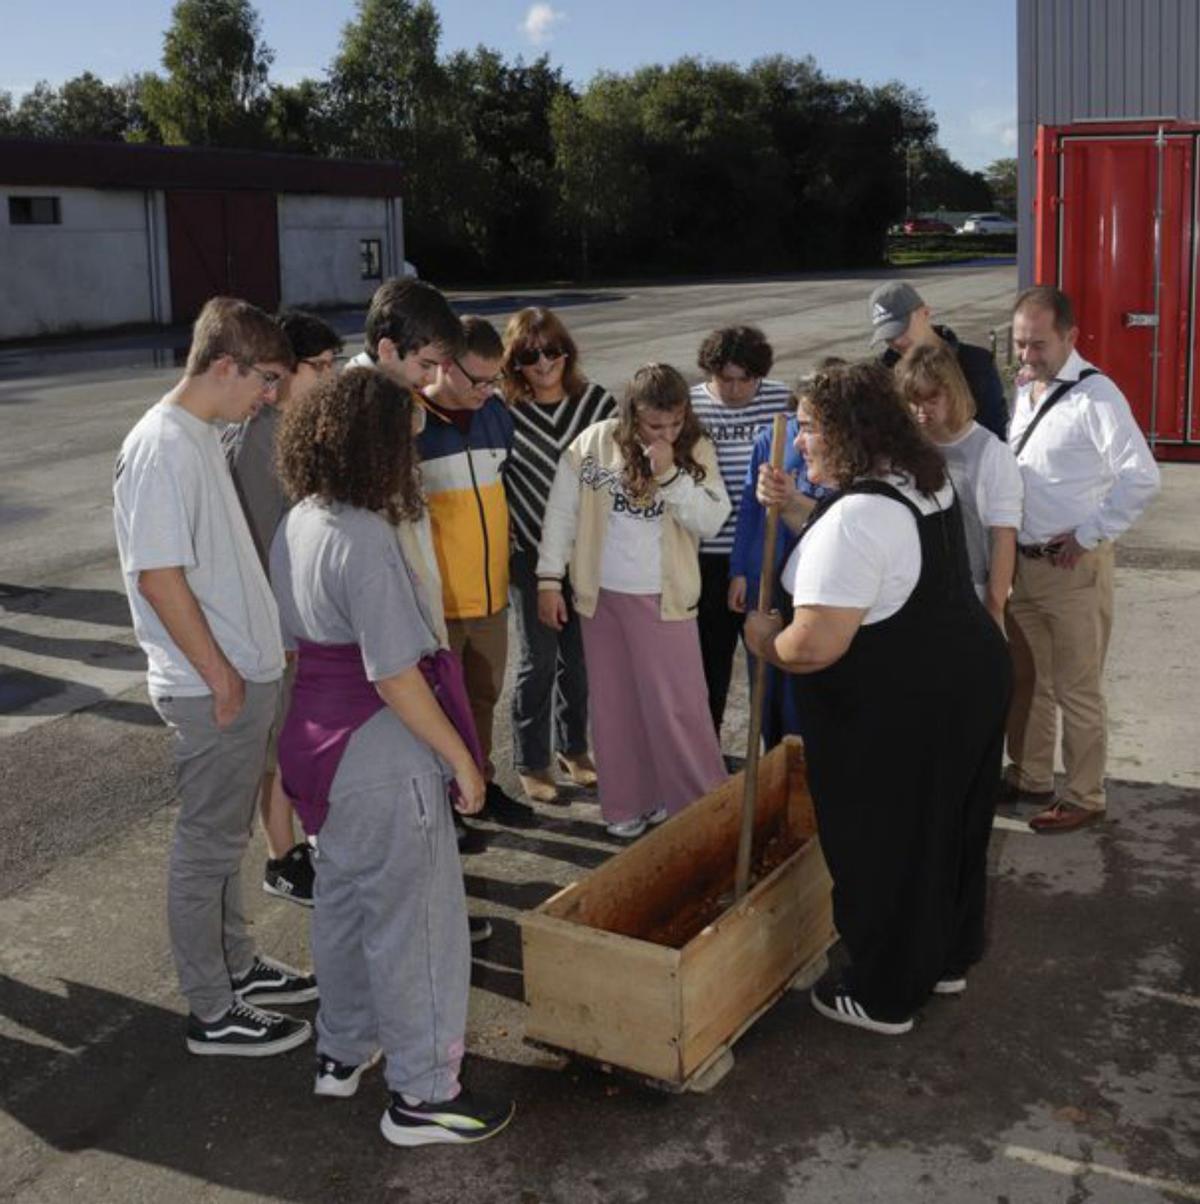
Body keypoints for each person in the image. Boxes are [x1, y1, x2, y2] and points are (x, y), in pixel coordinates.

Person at [271, 366, 514, 1145]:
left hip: (316, 744)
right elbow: (394, 675)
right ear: (373, 449)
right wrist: (462, 761)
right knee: (421, 928)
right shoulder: (365, 537)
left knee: (344, 905)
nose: (412, 457)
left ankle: (341, 1050)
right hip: (378, 753)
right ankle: (424, 1093)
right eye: (404, 444)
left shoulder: (299, 519)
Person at [745, 360, 1011, 1035]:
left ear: (847, 431)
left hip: (907, 708)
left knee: (887, 843)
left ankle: (885, 993)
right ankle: (943, 958)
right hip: (968, 685)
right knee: (948, 831)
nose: (800, 441)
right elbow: (867, 551)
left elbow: (814, 645)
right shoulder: (918, 480)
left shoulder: (857, 518)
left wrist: (765, 640)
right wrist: (796, 507)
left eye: (809, 427)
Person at [112, 296, 315, 1058]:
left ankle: (235, 965)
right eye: (265, 380)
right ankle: (211, 1008)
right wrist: (223, 678)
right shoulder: (162, 446)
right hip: (212, 688)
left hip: (237, 675)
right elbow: (159, 577)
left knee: (225, 840)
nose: (270, 396)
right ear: (226, 366)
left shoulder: (197, 435)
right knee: (206, 848)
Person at [537, 364, 730, 838]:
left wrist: (670, 474)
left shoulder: (696, 447)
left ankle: (699, 810)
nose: (666, 433)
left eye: (675, 423)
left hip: (666, 598)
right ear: (631, 414)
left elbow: (711, 520)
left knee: (678, 709)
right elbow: (561, 513)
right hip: (601, 597)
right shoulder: (593, 443)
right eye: (654, 425)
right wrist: (548, 579)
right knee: (615, 707)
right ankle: (628, 804)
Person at [1003, 286, 1160, 833]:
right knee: (1030, 681)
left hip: (1072, 569)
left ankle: (1084, 794)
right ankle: (1031, 776)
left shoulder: (1097, 396)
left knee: (1077, 688)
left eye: (1038, 344)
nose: (1026, 355)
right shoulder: (1027, 389)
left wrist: (1091, 534)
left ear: (1070, 337)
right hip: (1024, 566)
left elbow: (1141, 477)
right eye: (1020, 343)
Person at [223, 308, 345, 906]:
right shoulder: (259, 437)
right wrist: (282, 632)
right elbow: (257, 546)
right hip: (276, 627)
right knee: (278, 744)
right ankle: (281, 857)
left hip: (303, 618)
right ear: (283, 371)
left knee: (298, 738)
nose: (329, 376)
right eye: (318, 366)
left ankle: (303, 842)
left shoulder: (301, 426)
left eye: (333, 364)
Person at [501, 306, 616, 803]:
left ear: (567, 351)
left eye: (552, 350)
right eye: (530, 356)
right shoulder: (502, 412)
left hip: (586, 551)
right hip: (528, 552)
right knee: (539, 659)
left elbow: (617, 469)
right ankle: (531, 759)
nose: (544, 363)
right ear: (515, 363)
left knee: (581, 657)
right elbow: (496, 477)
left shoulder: (597, 403)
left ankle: (573, 746)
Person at [417, 316, 526, 820]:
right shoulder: (410, 422)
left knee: (483, 697)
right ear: (443, 364)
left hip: (490, 595)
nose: (487, 390)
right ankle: (443, 802)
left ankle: (480, 783)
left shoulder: (496, 414)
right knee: (438, 707)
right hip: (436, 604)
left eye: (493, 379)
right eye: (477, 380)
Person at [688, 326, 794, 739]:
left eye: (744, 380)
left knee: (770, 664)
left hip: (763, 556)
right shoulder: (691, 406)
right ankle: (706, 754)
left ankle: (775, 750)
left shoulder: (781, 401)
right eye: (724, 379)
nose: (734, 390)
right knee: (708, 667)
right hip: (708, 555)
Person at [729, 363, 836, 747]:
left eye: (812, 425)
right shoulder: (773, 438)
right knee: (765, 675)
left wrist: (794, 499)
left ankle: (799, 750)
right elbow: (749, 505)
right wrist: (740, 569)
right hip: (769, 570)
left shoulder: (848, 453)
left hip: (813, 580)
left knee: (799, 673)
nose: (802, 438)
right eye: (802, 422)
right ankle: (772, 750)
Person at [895, 342, 1023, 627]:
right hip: (910, 596)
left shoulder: (991, 453)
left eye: (931, 399)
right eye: (913, 401)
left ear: (953, 393)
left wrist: (994, 610)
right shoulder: (905, 449)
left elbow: (1003, 536)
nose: (920, 411)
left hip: (969, 595)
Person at [871, 281, 1009, 441]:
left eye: (900, 329)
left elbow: (995, 433)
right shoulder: (882, 374)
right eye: (888, 337)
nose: (897, 341)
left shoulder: (976, 364)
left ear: (925, 313)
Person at [346, 276, 464, 391]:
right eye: (425, 365)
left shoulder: (391, 390)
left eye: (440, 367)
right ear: (387, 351)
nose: (434, 380)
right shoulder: (360, 399)